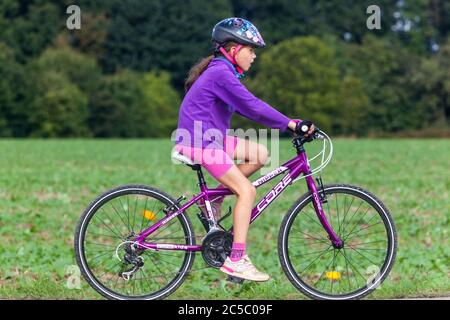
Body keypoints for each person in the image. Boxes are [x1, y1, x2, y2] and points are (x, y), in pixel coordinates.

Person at [174, 17, 314, 282]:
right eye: (251, 50)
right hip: (199, 142)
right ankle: (237, 259)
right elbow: (252, 106)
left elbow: (250, 107)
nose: (254, 56)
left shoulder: (223, 70)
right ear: (235, 49)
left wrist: (287, 124)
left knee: (260, 153)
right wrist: (291, 123)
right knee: (247, 191)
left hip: (211, 137)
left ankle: (213, 200)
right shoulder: (220, 73)